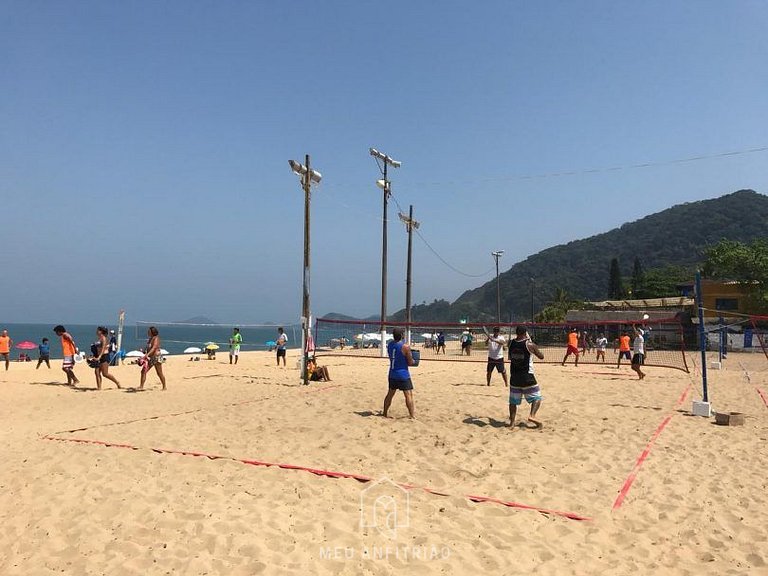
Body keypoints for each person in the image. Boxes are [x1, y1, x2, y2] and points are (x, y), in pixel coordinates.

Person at [508, 326, 545, 429]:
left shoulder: (510, 343)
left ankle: (511, 424)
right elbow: (541, 356)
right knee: (537, 398)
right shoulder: (530, 345)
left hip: (514, 377)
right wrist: (532, 344)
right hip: (527, 376)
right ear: (525, 333)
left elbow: (510, 357)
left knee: (513, 402)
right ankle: (532, 416)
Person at [383, 328, 415, 419]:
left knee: (390, 394)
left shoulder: (390, 345)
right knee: (408, 395)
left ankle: (384, 413)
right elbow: (410, 362)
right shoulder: (405, 347)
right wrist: (413, 360)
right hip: (403, 374)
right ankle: (412, 416)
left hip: (392, 373)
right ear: (401, 335)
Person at [139, 326, 167, 391]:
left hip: (156, 357)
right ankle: (141, 386)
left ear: (152, 332)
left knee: (159, 373)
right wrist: (143, 351)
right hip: (150, 358)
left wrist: (147, 355)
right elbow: (148, 349)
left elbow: (154, 348)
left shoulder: (156, 338)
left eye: (149, 331)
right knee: (143, 371)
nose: (148, 332)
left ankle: (164, 386)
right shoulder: (150, 339)